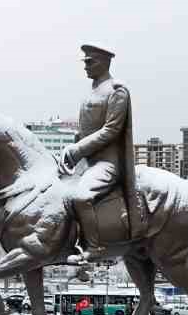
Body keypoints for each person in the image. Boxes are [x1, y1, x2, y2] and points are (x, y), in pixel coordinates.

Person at [60, 43, 144, 264]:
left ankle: (94, 247)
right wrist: (69, 151)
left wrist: (78, 150)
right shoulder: (92, 92)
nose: (85, 66)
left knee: (80, 196)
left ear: (104, 62)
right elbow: (85, 130)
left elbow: (111, 130)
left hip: (107, 164)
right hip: (88, 163)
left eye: (90, 62)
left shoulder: (117, 90)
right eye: (85, 62)